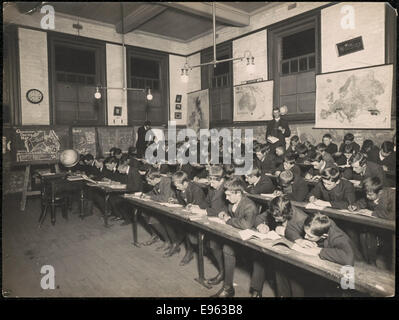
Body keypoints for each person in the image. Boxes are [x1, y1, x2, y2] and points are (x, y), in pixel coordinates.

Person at [211, 178, 258, 297]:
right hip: (233, 234)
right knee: (213, 243)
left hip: (248, 241)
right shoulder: (233, 201)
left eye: (228, 195)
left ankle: (228, 288)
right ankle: (223, 273)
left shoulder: (249, 206)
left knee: (227, 249)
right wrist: (223, 213)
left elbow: (246, 224)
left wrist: (228, 220)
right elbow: (228, 212)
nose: (226, 198)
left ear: (238, 193)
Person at [348, 177, 395, 267]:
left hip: (390, 230)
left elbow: (393, 215)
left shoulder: (392, 195)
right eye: (366, 193)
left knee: (368, 234)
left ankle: (371, 263)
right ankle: (370, 263)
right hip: (377, 226)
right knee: (364, 233)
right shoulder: (371, 193)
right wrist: (355, 206)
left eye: (370, 194)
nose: (367, 196)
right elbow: (363, 201)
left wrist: (372, 213)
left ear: (380, 192)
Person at [172, 171, 209, 266]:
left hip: (201, 214)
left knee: (188, 229)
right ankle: (177, 245)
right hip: (187, 213)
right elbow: (183, 203)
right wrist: (176, 201)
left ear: (185, 183)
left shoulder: (196, 190)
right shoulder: (180, 189)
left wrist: (191, 207)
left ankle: (190, 251)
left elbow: (201, 206)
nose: (176, 188)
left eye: (178, 186)